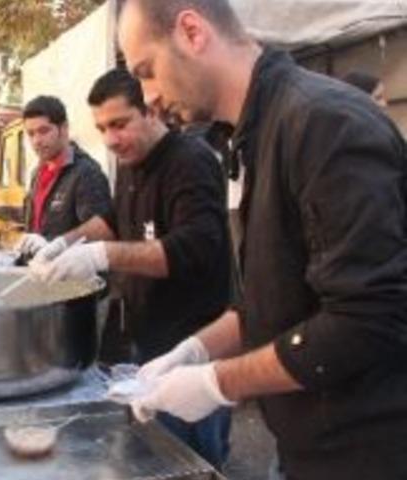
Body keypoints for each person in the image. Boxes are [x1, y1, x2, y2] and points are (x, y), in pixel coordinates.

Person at [117, 0, 407, 478]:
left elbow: (367, 318)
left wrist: (217, 383)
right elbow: (279, 297)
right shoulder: (247, 135)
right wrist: (194, 350)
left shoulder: (321, 123)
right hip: (303, 446)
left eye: (147, 71)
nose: (147, 96)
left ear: (192, 31)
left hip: (367, 452)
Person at [36, 69, 233, 468]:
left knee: (196, 461)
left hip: (195, 347)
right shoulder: (130, 162)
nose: (110, 140)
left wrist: (103, 256)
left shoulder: (190, 162)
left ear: (151, 112)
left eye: (119, 124)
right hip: (149, 342)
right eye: (102, 128)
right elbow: (111, 219)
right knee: (156, 455)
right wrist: (64, 244)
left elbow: (192, 248)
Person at [15, 96, 112, 261]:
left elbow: (103, 231)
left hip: (74, 282)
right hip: (41, 275)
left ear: (64, 129)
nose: (36, 141)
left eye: (44, 131)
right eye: (31, 134)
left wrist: (54, 245)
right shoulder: (37, 173)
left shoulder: (86, 172)